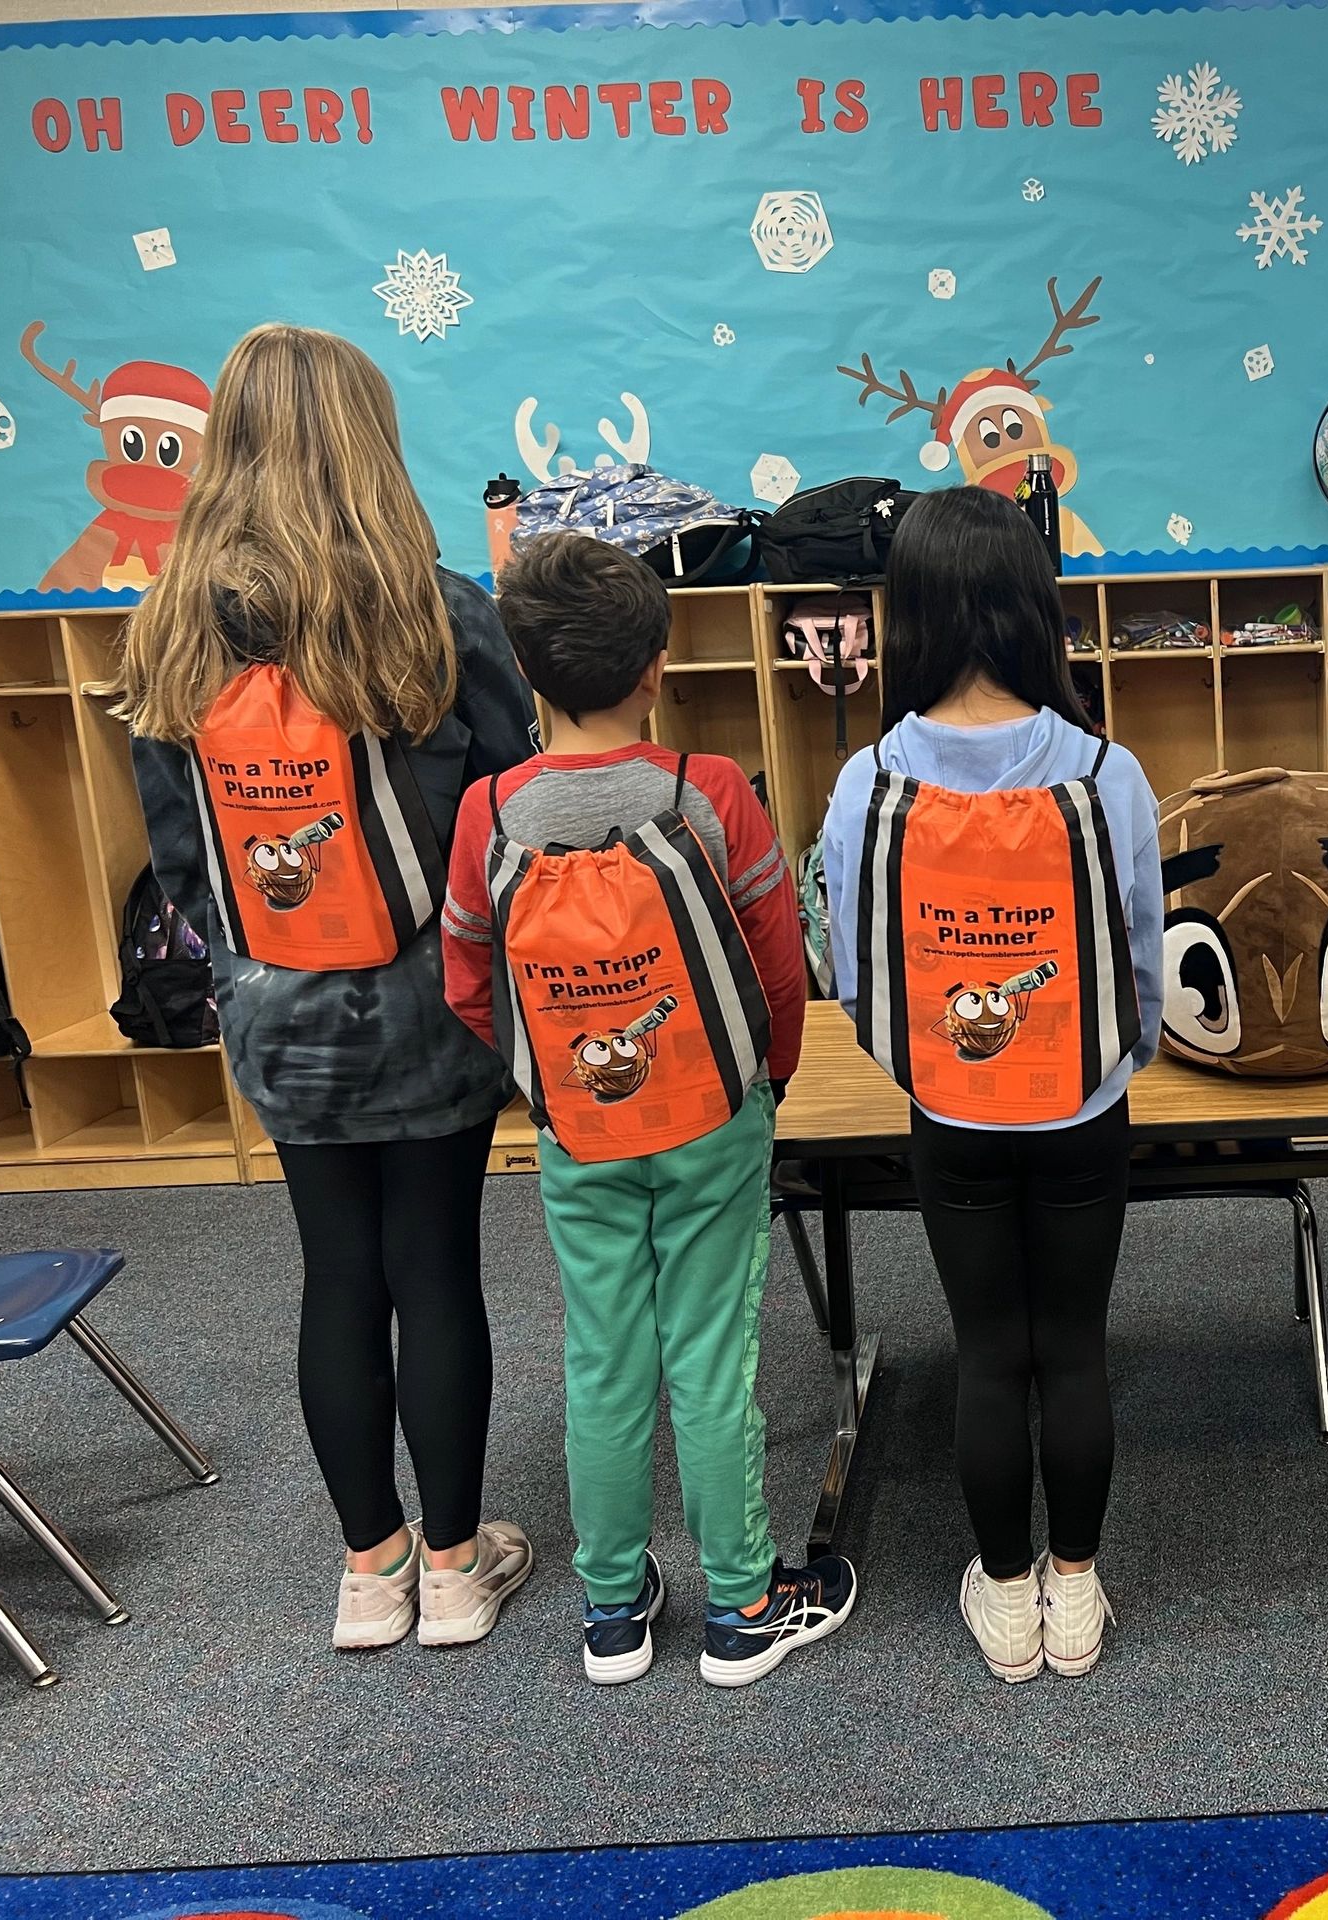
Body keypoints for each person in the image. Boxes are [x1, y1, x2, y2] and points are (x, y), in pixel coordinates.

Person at [119, 323, 538, 1651]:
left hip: (277, 1005)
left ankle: (372, 1569)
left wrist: (261, 962)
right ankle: (458, 1568)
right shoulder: (434, 608)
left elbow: (178, 858)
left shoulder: (169, 627)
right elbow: (509, 803)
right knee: (436, 1267)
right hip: (430, 1002)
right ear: (368, 440)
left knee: (335, 1275)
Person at [441, 532, 840, 1687]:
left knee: (604, 1361)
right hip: (714, 1117)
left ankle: (612, 1610)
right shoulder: (707, 793)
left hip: (580, 1128)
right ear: (656, 666)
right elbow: (778, 967)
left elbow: (469, 985)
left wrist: (550, 1082)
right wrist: (768, 1075)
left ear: (524, 669)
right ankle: (743, 1605)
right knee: (712, 1358)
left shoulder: (488, 814)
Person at [822, 487, 1162, 1683]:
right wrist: (1114, 1062)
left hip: (950, 1114)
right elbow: (1141, 958)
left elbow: (854, 969)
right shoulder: (1107, 772)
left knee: (985, 1349)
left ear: (906, 614)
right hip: (1083, 1110)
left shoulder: (867, 782)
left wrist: (924, 1065)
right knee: (1072, 1347)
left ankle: (1007, 1598)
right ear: (1033, 605)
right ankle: (1077, 1589)